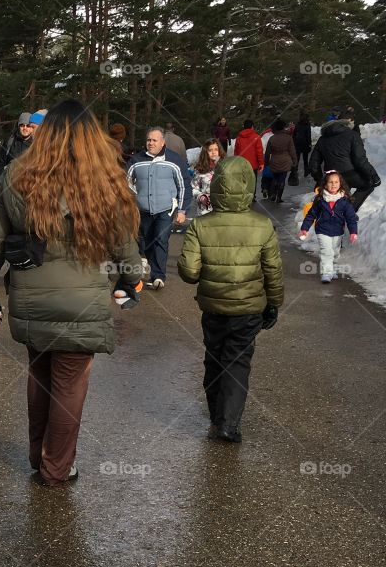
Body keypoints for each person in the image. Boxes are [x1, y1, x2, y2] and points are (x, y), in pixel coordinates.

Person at [0, 99, 144, 487]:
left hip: (31, 297)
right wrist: (131, 280)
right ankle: (57, 467)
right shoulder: (103, 178)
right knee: (69, 383)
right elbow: (124, 244)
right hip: (82, 300)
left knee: (39, 376)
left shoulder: (16, 175)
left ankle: (41, 458)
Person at [177, 156, 284, 444]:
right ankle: (228, 422)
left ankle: (216, 416)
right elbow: (273, 271)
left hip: (213, 307)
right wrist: (273, 304)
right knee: (237, 360)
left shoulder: (201, 226)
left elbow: (189, 273)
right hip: (249, 308)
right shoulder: (263, 226)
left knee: (214, 357)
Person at [126, 126, 190, 288]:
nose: (151, 143)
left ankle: (158, 276)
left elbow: (184, 186)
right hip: (143, 210)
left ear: (162, 142)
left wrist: (182, 210)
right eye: (148, 140)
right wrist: (132, 200)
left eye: (154, 140)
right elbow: (124, 184)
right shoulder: (136, 160)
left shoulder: (174, 160)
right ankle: (149, 264)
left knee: (161, 240)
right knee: (145, 241)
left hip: (165, 209)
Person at [308, 113, 380, 210]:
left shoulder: (322, 139)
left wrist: (320, 179)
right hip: (350, 173)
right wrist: (374, 177)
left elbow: (313, 163)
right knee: (367, 185)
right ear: (348, 122)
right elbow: (360, 160)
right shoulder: (353, 135)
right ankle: (348, 211)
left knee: (341, 190)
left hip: (332, 176)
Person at [299, 170, 359, 282]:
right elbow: (311, 215)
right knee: (326, 251)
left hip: (338, 230)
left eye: (336, 182)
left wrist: (353, 232)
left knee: (335, 252)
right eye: (330, 182)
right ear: (325, 184)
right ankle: (326, 273)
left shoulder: (344, 201)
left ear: (340, 184)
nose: (333, 184)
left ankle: (333, 268)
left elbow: (351, 218)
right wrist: (304, 228)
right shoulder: (320, 200)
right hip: (322, 230)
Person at [0, 112, 34, 181]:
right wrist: (3, 180)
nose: (25, 128)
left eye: (28, 126)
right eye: (22, 125)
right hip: (11, 183)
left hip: (30, 184)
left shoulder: (36, 143)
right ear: (18, 126)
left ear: (32, 127)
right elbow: (0, 163)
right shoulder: (10, 141)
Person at [263, 119, 296, 203]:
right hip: (285, 161)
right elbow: (292, 151)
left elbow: (267, 153)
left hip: (274, 161)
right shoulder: (288, 138)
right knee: (282, 179)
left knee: (275, 178)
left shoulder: (272, 138)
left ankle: (273, 193)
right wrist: (294, 161)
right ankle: (279, 197)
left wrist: (266, 163)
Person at [190, 139, 223, 216]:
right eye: (210, 150)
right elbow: (193, 188)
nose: (213, 152)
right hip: (205, 210)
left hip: (222, 210)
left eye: (216, 149)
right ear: (205, 152)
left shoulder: (225, 167)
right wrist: (201, 197)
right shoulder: (200, 169)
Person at [233, 120, 264, 191]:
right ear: (252, 127)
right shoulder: (256, 137)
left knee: (243, 180)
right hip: (253, 164)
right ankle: (252, 195)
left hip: (242, 163)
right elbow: (259, 151)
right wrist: (261, 163)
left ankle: (243, 194)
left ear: (244, 127)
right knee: (252, 180)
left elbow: (236, 151)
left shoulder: (239, 138)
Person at [291, 112, 312, 184]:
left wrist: (293, 142)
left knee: (297, 158)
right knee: (305, 159)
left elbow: (294, 134)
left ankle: (295, 172)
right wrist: (309, 144)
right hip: (305, 143)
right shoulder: (307, 125)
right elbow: (308, 135)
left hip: (297, 143)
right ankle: (306, 171)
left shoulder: (298, 124)